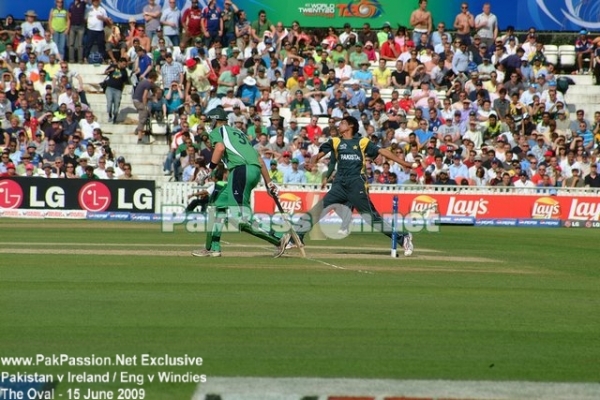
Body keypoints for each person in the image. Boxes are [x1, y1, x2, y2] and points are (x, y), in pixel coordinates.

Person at [293, 116, 415, 256]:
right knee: (318, 209)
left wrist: (404, 163)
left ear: (350, 126)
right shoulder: (335, 141)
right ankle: (296, 236)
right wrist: (312, 163)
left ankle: (402, 237)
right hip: (339, 184)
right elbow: (318, 155)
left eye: (343, 123)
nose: (339, 125)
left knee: (371, 219)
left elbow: (382, 151)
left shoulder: (362, 142)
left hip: (356, 183)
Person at [191, 106, 289, 258]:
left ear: (216, 120)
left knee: (241, 219)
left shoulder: (219, 132)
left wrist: (209, 169)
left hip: (240, 171)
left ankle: (279, 238)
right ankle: (212, 247)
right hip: (252, 171)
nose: (210, 124)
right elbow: (259, 160)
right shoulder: (239, 133)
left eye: (211, 121)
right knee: (216, 205)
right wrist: (269, 183)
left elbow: (220, 148)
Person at [132, 70, 158, 144]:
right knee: (143, 117)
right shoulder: (148, 84)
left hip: (136, 100)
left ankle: (137, 129)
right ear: (153, 78)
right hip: (139, 102)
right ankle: (140, 138)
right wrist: (145, 106)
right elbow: (144, 96)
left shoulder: (144, 82)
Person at [103, 58, 129, 124]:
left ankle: (115, 117)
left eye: (125, 64)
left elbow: (125, 81)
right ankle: (110, 116)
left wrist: (121, 90)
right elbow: (105, 72)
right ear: (119, 62)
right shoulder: (113, 66)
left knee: (116, 105)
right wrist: (110, 70)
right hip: (109, 88)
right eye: (123, 64)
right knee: (109, 102)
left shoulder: (124, 71)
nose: (124, 66)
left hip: (118, 90)